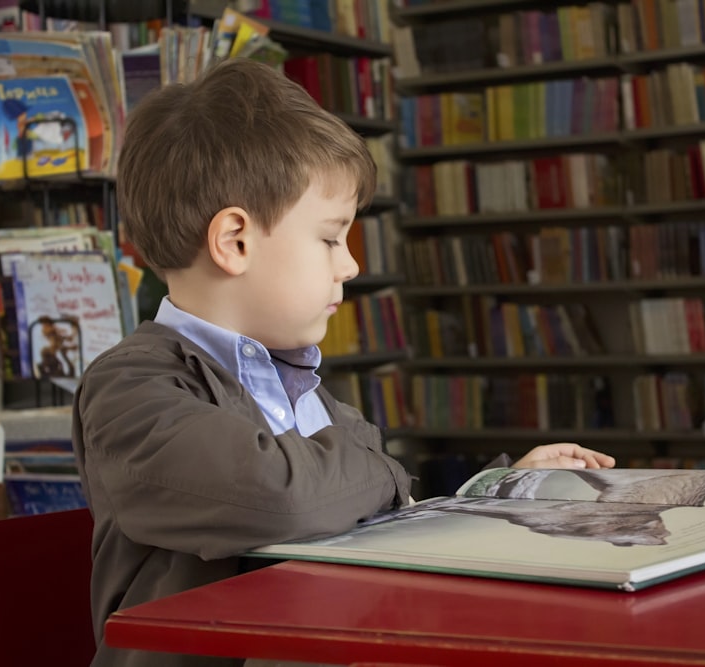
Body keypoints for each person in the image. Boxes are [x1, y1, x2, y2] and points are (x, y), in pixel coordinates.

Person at [72, 58, 615, 667]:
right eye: (331, 237)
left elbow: (377, 518)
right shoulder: (131, 387)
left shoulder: (300, 384)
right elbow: (286, 500)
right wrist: (381, 472)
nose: (350, 265)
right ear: (235, 242)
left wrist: (495, 492)